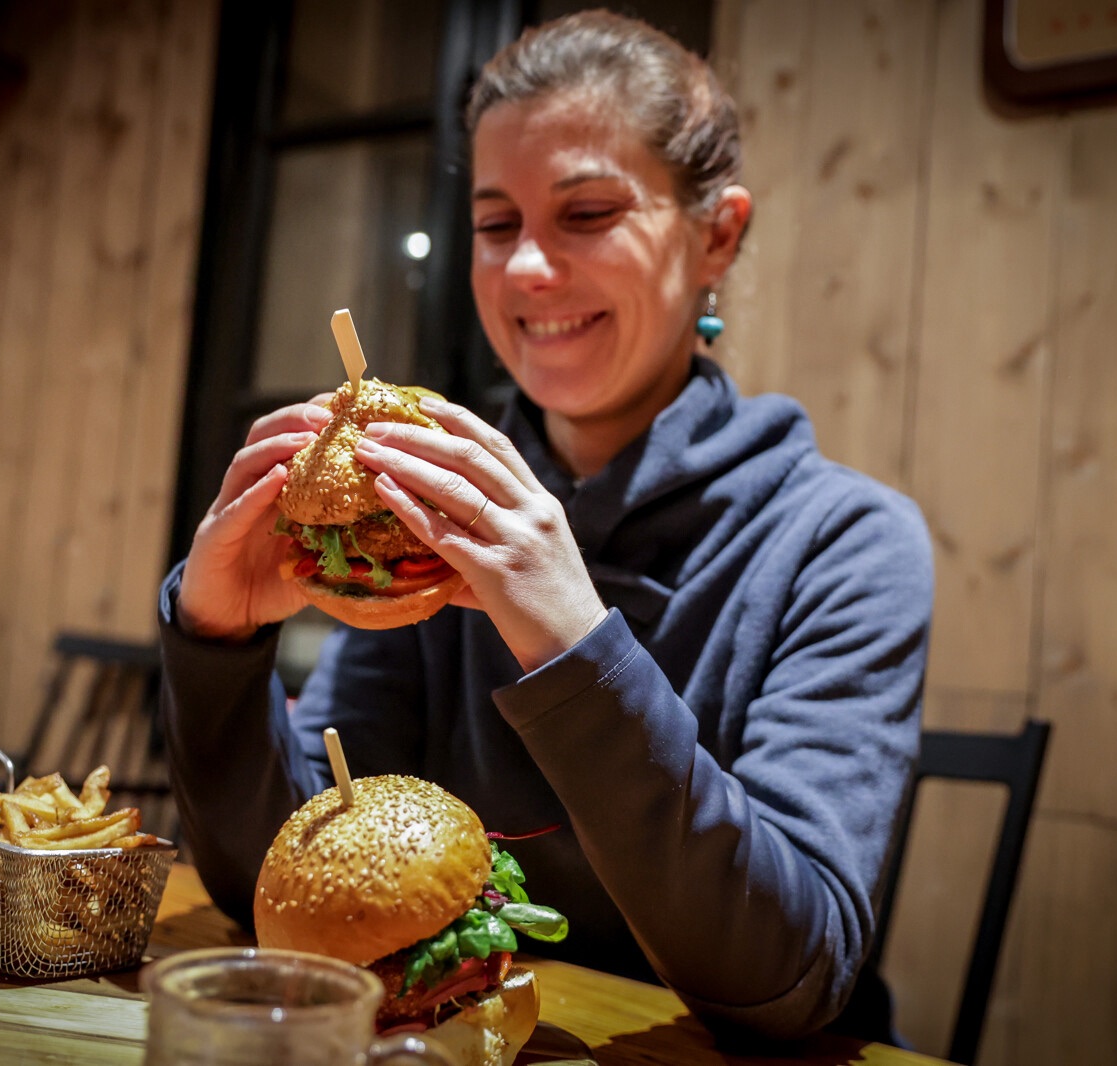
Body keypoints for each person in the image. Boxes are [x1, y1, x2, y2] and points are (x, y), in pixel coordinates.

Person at [159, 8, 932, 1048]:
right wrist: (216, 644)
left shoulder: (845, 543)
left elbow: (786, 983)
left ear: (718, 235)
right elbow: (299, 900)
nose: (525, 269)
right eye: (493, 223)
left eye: (587, 213)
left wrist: (573, 642)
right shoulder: (428, 509)